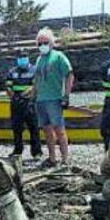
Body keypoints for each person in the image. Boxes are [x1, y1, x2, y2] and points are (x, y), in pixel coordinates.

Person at [32, 27, 74, 167]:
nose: (42, 46)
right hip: (41, 100)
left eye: (45, 42)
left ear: (51, 42)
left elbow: (69, 75)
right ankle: (52, 158)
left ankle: (65, 158)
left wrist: (66, 95)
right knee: (47, 130)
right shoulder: (39, 59)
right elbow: (37, 79)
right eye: (39, 43)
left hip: (54, 98)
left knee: (59, 130)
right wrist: (34, 95)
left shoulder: (58, 56)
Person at [5, 50, 42, 158]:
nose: (22, 60)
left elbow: (36, 85)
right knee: (17, 128)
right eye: (20, 58)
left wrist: (28, 93)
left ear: (28, 58)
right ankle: (17, 150)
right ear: (17, 59)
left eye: (24, 57)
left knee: (33, 128)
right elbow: (8, 85)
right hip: (16, 103)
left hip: (29, 103)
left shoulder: (34, 70)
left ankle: (36, 152)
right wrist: (11, 93)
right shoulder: (12, 71)